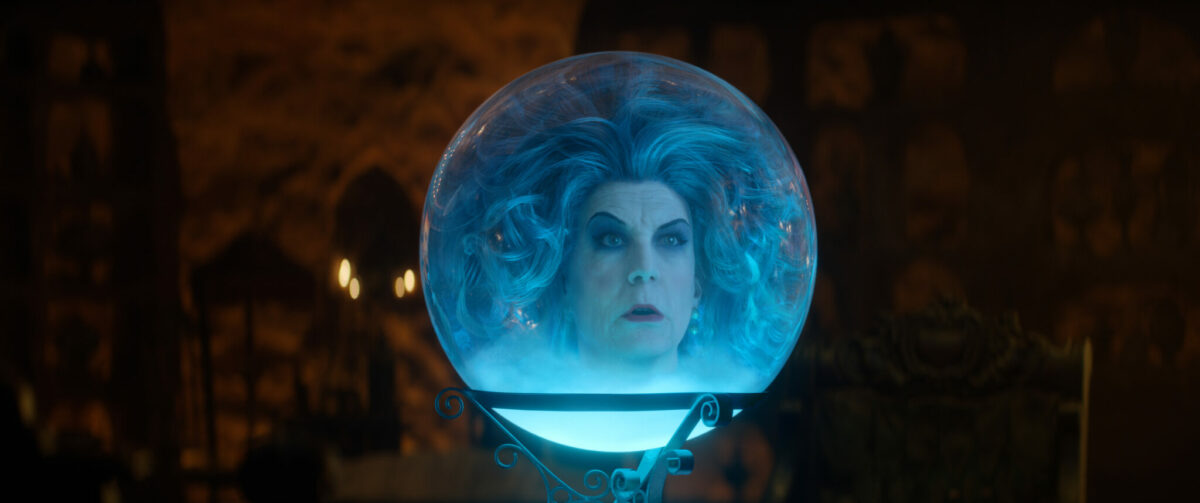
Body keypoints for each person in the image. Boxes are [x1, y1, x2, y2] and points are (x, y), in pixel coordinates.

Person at [426, 65, 810, 392]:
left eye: (671, 239)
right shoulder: (517, 388)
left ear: (698, 283)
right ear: (563, 279)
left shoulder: (735, 386)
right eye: (611, 239)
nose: (643, 268)